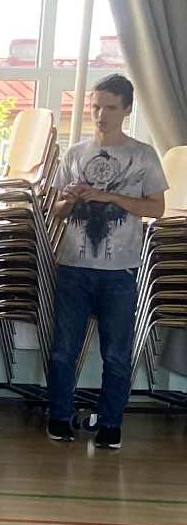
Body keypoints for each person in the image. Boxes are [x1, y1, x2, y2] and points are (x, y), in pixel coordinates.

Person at [45, 74, 167, 450]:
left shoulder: (143, 154)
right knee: (64, 348)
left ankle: (111, 424)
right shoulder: (74, 153)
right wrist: (69, 199)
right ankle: (60, 417)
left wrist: (110, 197)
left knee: (116, 352)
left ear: (126, 109)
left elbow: (156, 209)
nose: (101, 114)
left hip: (119, 270)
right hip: (73, 264)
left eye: (110, 108)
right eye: (96, 106)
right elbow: (57, 210)